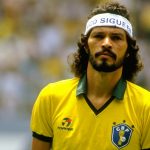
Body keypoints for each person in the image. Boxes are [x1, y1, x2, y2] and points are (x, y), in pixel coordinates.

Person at [30, 2, 150, 150]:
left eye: (116, 38)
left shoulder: (146, 106)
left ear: (129, 50)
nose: (106, 43)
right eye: (99, 36)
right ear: (86, 45)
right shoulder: (51, 97)